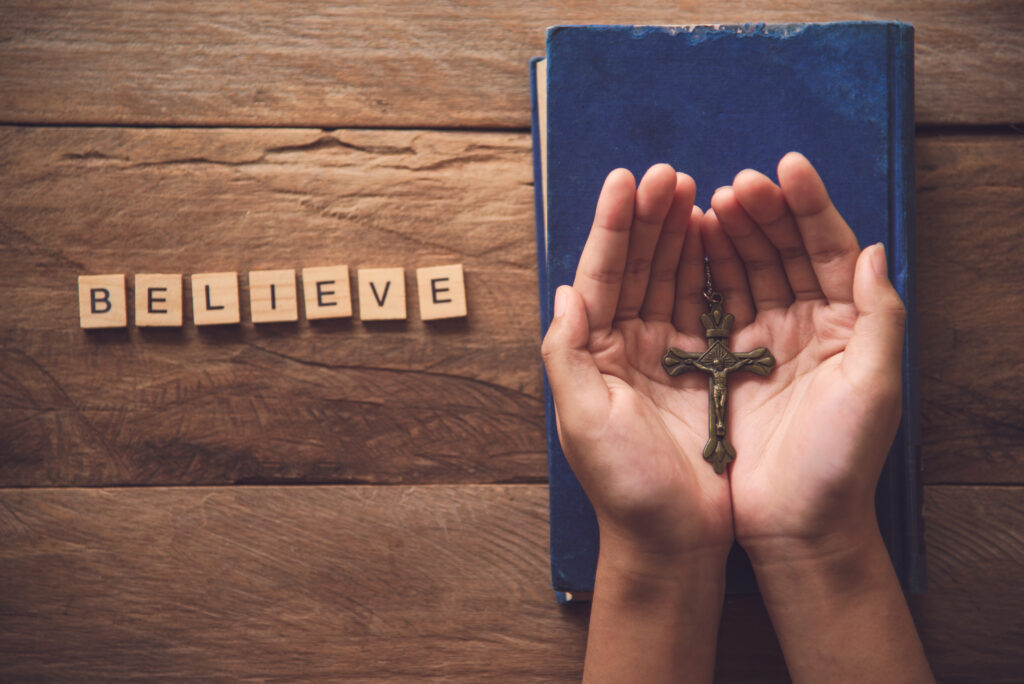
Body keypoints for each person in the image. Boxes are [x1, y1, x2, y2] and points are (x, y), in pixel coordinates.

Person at [540, 153, 935, 683]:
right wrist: (659, 552)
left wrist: (818, 536)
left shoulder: (730, 359)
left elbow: (735, 363)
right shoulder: (706, 359)